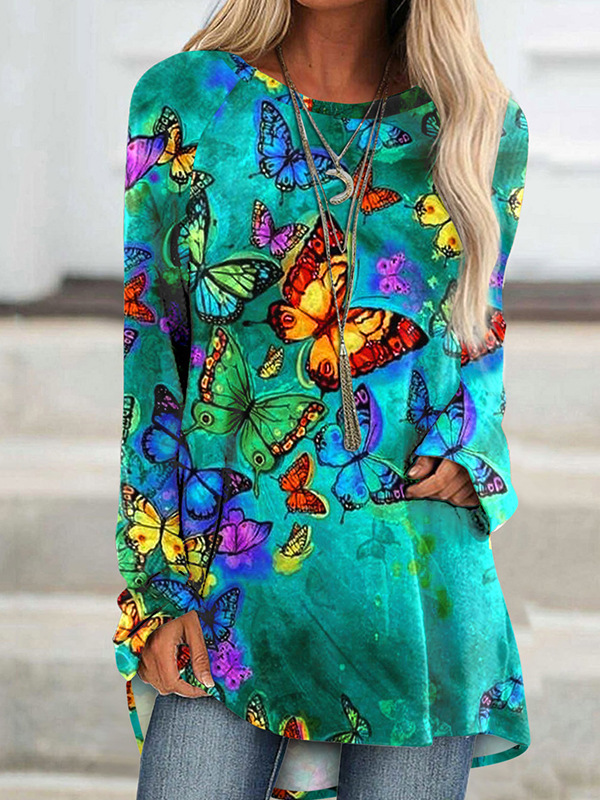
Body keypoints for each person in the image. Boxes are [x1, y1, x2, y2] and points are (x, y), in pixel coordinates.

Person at [112, 1, 531, 798]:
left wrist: (471, 452)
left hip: (414, 587)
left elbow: (477, 342)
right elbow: (152, 358)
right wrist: (158, 586)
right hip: (232, 574)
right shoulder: (189, 102)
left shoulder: (479, 124)